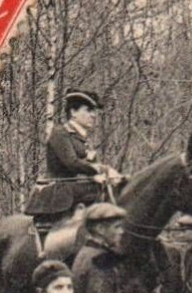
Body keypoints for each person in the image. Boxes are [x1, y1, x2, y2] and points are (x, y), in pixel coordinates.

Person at [23, 89, 121, 244]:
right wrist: (101, 169)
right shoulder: (60, 133)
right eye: (88, 110)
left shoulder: (81, 138)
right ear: (73, 112)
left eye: (94, 111)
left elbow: (86, 165)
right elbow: (72, 163)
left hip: (78, 190)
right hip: (60, 191)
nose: (93, 115)